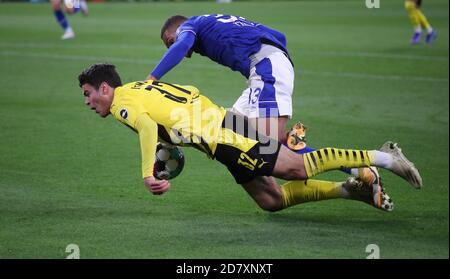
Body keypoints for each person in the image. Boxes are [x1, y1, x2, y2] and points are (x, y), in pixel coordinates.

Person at [78, 63, 423, 213]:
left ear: (105, 88)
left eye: (89, 93)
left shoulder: (123, 102)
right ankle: (353, 189)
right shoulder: (142, 87)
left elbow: (149, 126)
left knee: (296, 169)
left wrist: (147, 173)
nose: (88, 102)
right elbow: (181, 99)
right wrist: (168, 148)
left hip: (224, 137)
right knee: (271, 201)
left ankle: (384, 157)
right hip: (223, 126)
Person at [147, 14, 379, 189]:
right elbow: (279, 36)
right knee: (231, 128)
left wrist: (152, 79)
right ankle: (293, 139)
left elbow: (181, 44)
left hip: (266, 69)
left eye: (169, 42)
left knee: (268, 147)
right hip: (260, 73)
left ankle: (361, 169)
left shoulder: (190, 26)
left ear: (172, 34)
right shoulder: (211, 21)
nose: (182, 52)